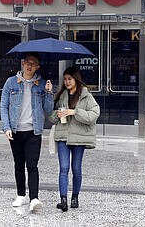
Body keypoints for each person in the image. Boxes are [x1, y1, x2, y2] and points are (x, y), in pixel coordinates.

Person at [0, 54, 54, 213]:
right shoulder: (11, 82)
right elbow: (3, 106)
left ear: (38, 67)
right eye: (27, 63)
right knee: (18, 164)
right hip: (15, 131)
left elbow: (49, 110)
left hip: (33, 131)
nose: (29, 66)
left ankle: (34, 198)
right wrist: (6, 127)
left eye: (34, 64)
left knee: (32, 165)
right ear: (22, 64)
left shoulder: (42, 84)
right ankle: (20, 194)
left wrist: (49, 93)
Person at [48, 66, 100, 212]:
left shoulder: (85, 95)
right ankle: (63, 199)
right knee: (63, 168)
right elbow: (51, 117)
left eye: (69, 79)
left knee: (76, 168)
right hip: (63, 136)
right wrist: (57, 113)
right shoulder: (61, 95)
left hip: (79, 138)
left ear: (76, 79)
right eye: (64, 79)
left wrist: (74, 112)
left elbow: (94, 114)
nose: (66, 82)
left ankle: (75, 197)